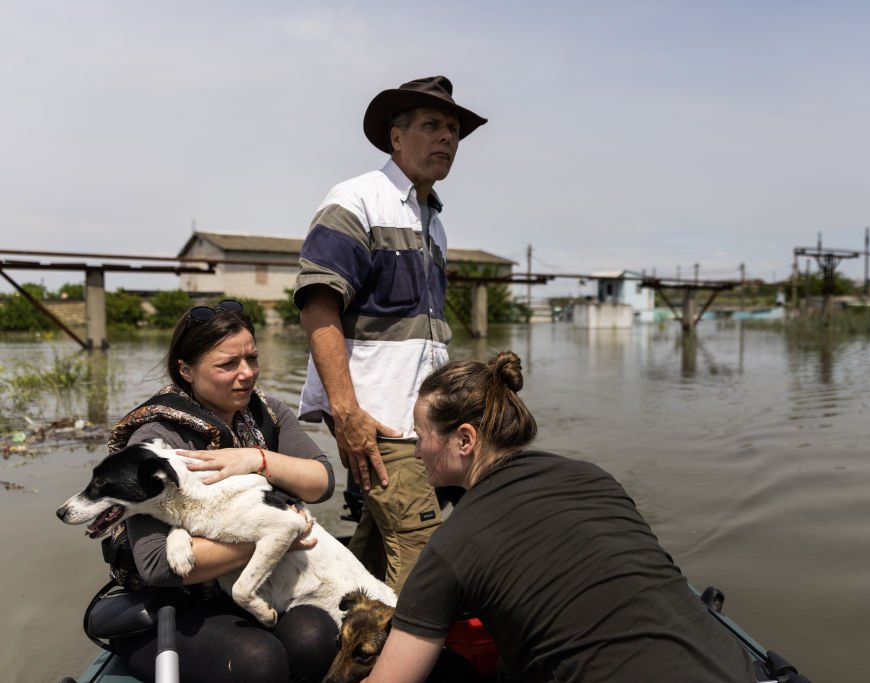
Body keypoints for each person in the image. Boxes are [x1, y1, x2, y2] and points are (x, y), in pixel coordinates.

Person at [364, 352, 759, 683]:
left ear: (465, 440)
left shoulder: (451, 547)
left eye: (421, 436)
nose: (416, 452)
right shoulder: (594, 478)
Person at [294, 75, 487, 592]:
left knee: (381, 542)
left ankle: (342, 638)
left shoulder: (434, 223)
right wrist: (346, 412)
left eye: (453, 129)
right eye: (432, 126)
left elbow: (425, 337)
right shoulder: (357, 199)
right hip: (376, 416)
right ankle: (398, 667)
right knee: (420, 543)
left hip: (421, 416)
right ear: (396, 137)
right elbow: (318, 306)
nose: (447, 138)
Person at [101, 300, 338, 683]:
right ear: (186, 370)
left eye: (252, 359)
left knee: (319, 638)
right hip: (175, 605)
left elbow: (322, 483)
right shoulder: (157, 439)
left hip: (258, 583)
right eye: (227, 365)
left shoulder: (267, 413)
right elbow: (159, 565)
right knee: (257, 661)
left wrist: (258, 458)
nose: (246, 374)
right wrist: (279, 536)